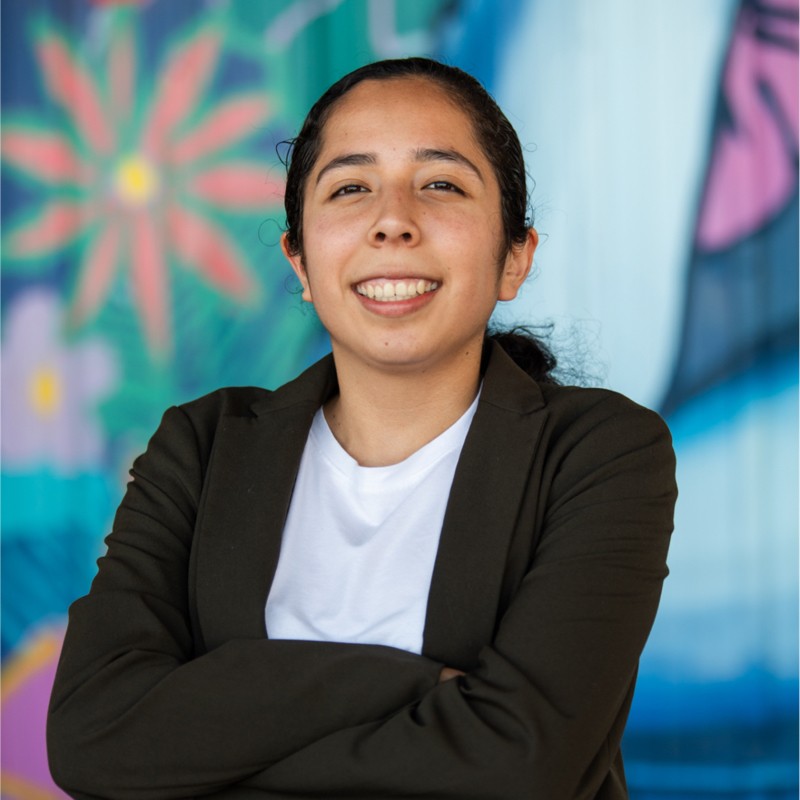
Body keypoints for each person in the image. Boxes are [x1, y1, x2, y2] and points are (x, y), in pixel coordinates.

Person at [47, 57, 677, 799]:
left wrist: (209, 738)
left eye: (440, 183)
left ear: (515, 258)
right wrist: (418, 688)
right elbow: (93, 736)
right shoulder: (203, 445)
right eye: (350, 188)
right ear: (301, 261)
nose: (392, 222)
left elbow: (521, 769)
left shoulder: (602, 452)